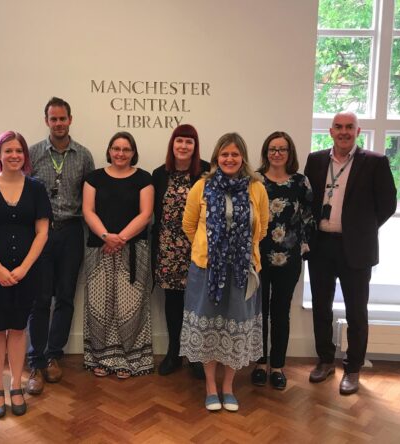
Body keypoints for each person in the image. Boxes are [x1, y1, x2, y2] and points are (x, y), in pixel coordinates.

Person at [304, 111, 396, 395]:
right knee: (321, 306)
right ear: (330, 131)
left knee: (357, 311)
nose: (344, 132)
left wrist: (362, 229)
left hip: (356, 247)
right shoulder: (316, 160)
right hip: (321, 245)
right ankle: (325, 360)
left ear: (358, 131)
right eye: (338, 127)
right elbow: (307, 199)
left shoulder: (375, 162)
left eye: (349, 127)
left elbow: (388, 204)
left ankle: (353, 368)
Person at [181, 132, 269, 412]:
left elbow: (263, 228)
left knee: (237, 327)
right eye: (224, 154)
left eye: (234, 154)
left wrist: (237, 251)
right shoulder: (202, 187)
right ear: (216, 158)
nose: (229, 159)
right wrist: (212, 250)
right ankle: (210, 386)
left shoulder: (257, 188)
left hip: (243, 272)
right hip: (207, 269)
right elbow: (189, 225)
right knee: (208, 327)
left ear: (243, 157)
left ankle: (228, 386)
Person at [0, 131, 51, 418]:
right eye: (8, 150)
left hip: (27, 271)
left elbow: (42, 232)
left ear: (25, 156)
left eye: (19, 151)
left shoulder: (37, 189)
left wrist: (24, 267)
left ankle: (16, 384)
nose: (14, 155)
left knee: (17, 329)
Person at [26, 97, 95, 394]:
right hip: (40, 233)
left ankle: (54, 355)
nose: (58, 123)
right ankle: (35, 360)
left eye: (62, 118)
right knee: (39, 299)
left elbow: (90, 197)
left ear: (70, 119)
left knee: (65, 297)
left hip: (70, 233)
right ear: (46, 121)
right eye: (53, 119)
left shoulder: (84, 156)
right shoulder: (33, 153)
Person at [82, 131, 154, 378]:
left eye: (126, 149)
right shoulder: (94, 178)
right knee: (99, 305)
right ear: (109, 151)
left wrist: (120, 238)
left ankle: (129, 359)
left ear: (133, 152)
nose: (120, 153)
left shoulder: (144, 179)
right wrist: (106, 237)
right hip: (99, 248)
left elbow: (145, 215)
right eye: (116, 148)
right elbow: (88, 211)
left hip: (133, 250)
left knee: (130, 306)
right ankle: (100, 358)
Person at [251, 131, 314, 390]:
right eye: (273, 149)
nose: (277, 153)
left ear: (290, 153)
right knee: (258, 312)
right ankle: (259, 363)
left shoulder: (301, 182)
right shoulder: (254, 180)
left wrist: (305, 247)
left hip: (289, 260)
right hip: (258, 258)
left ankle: (277, 366)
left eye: (282, 149)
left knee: (281, 313)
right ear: (266, 152)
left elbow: (309, 217)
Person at [151, 124, 209, 377]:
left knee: (196, 303)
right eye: (179, 141)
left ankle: (195, 355)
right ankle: (174, 352)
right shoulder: (159, 174)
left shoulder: (207, 172)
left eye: (189, 142)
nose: (183, 146)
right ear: (172, 144)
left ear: (195, 147)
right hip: (168, 249)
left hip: (198, 249)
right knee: (173, 303)